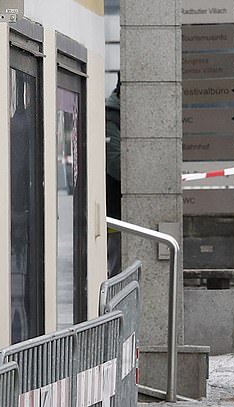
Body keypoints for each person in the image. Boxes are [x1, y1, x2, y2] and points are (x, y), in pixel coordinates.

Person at [105, 76, 122, 277]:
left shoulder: (118, 116)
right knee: (116, 269)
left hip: (120, 211)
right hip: (115, 211)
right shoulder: (112, 119)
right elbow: (115, 164)